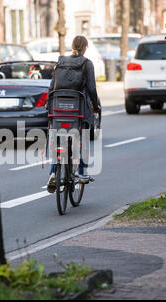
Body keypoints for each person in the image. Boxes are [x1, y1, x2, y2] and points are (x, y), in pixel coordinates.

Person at [46, 35, 101, 193]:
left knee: (58, 141)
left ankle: (52, 173)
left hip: (58, 108)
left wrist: (48, 102)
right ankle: (82, 172)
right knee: (83, 137)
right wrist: (95, 105)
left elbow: (52, 86)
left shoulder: (61, 61)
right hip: (78, 108)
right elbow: (91, 88)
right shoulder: (87, 63)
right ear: (85, 47)